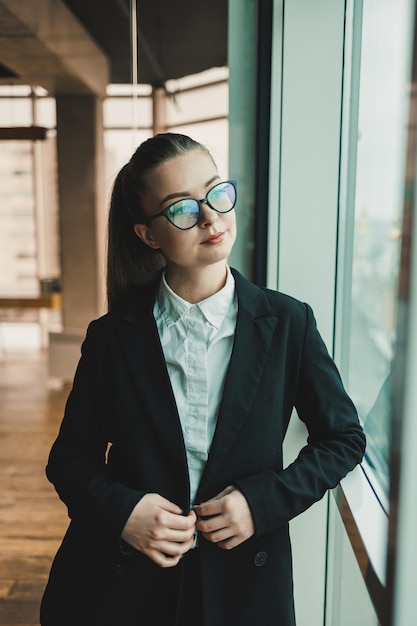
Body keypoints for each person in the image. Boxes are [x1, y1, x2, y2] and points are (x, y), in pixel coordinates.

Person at [40, 132, 366, 626]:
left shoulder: (288, 322)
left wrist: (262, 502)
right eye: (182, 209)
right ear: (148, 234)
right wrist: (125, 513)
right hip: (127, 580)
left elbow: (344, 438)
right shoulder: (112, 337)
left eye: (216, 193)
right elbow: (69, 459)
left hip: (245, 583)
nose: (211, 217)